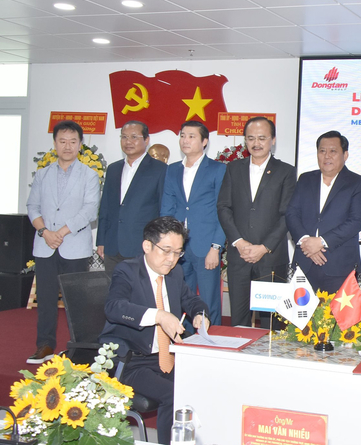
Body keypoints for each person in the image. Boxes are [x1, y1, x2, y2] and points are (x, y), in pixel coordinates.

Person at [99, 217, 209, 445]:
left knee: (202, 385)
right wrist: (158, 316)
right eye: (166, 251)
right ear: (147, 246)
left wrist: (200, 314)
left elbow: (192, 300)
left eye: (178, 252)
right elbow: (113, 307)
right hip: (132, 361)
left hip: (168, 356)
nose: (171, 259)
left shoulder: (175, 273)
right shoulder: (127, 271)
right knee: (175, 395)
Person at [25, 120, 101, 364]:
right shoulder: (42, 173)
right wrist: (46, 231)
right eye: (62, 141)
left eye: (73, 141)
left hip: (74, 247)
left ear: (80, 145)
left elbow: (90, 210)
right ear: (55, 143)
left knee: (77, 301)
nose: (67, 146)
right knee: (46, 300)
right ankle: (44, 345)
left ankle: (79, 348)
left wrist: (62, 232)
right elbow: (32, 206)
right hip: (45, 245)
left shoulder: (89, 175)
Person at [217, 117, 296, 327]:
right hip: (239, 256)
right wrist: (239, 242)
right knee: (239, 321)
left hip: (270, 258)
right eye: (251, 138)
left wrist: (264, 247)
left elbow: (286, 214)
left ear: (273, 140)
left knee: (272, 323)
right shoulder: (233, 169)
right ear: (245, 140)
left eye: (262, 138)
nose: (256, 143)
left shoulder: (286, 171)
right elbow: (223, 207)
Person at [160, 121, 227, 325]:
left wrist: (216, 247)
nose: (185, 140)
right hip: (178, 248)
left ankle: (212, 347)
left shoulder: (217, 169)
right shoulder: (172, 170)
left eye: (191, 136)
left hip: (206, 247)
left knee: (208, 302)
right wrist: (166, 244)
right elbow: (167, 208)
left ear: (204, 141)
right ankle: (186, 346)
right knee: (181, 301)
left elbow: (223, 212)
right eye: (182, 136)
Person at [286, 130, 361, 294]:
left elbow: (356, 221)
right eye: (322, 151)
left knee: (336, 319)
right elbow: (291, 213)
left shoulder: (357, 182)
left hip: (339, 265)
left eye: (333, 151)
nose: (327, 156)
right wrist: (305, 241)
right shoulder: (305, 179)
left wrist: (321, 242)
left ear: (345, 155)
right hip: (305, 261)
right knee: (302, 318)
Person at [97, 120, 167, 276]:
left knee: (140, 295)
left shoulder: (160, 169)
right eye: (124, 137)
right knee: (114, 294)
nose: (128, 142)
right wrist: (101, 240)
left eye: (134, 137)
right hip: (112, 245)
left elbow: (163, 209)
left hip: (142, 245)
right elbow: (105, 207)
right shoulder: (113, 169)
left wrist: (159, 242)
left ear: (146, 140)